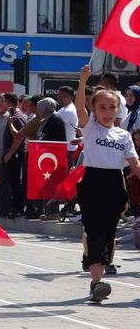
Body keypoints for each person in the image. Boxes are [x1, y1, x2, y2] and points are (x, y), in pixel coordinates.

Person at [76, 65, 140, 302]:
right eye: (102, 107)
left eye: (112, 107)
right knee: (95, 232)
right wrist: (82, 82)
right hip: (93, 181)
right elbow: (80, 106)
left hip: (115, 183)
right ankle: (97, 282)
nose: (107, 111)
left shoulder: (123, 135)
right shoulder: (90, 128)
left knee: (109, 232)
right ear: (94, 109)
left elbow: (134, 164)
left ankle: (99, 271)